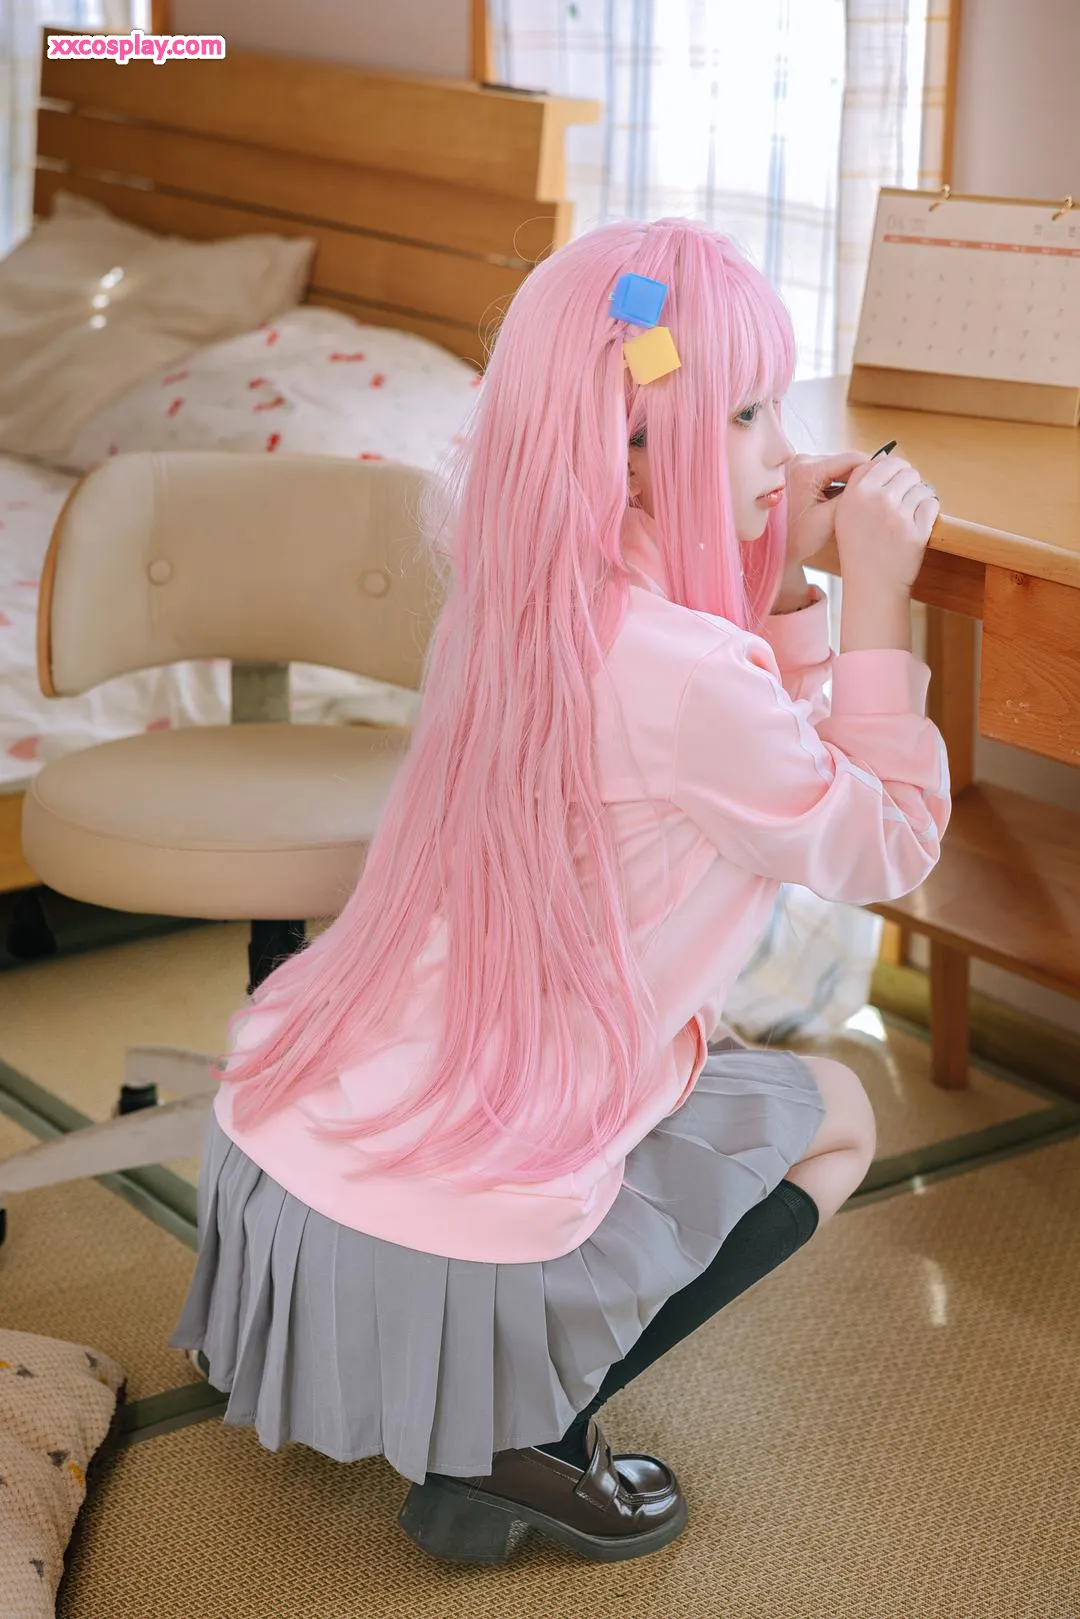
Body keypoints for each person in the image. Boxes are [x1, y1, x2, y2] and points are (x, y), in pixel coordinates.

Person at [172, 217, 949, 1567]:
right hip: (443, 1200)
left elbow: (730, 726)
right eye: (747, 415)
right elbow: (883, 842)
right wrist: (877, 596)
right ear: (637, 452)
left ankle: (450, 1382)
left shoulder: (521, 589)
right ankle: (518, 1437)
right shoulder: (685, 673)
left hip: (290, 1144)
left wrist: (784, 572)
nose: (782, 452)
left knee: (701, 1081)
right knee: (835, 1118)